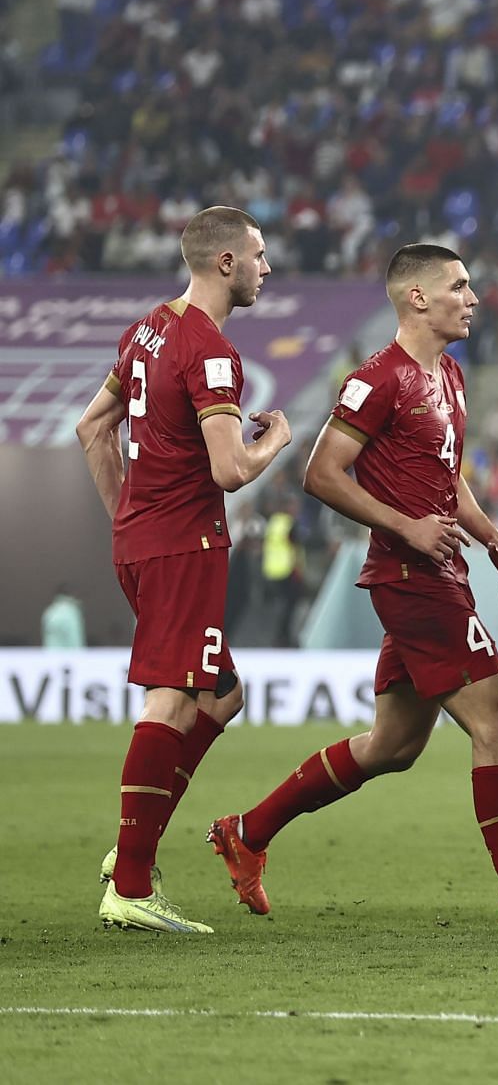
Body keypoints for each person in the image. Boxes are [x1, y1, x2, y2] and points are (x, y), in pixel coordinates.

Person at [209, 245, 498, 937]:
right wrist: (406, 525)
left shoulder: (452, 374)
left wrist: (492, 536)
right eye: (458, 286)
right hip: (411, 579)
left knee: (392, 746)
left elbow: (444, 475)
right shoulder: (377, 380)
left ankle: (247, 831)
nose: (472, 296)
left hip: (440, 571)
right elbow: (322, 473)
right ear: (417, 299)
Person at [75, 206, 293, 933]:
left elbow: (91, 427)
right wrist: (278, 442)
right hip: (184, 547)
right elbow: (230, 470)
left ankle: (133, 848)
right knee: (171, 701)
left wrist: (128, 519)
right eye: (258, 255)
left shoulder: (146, 329)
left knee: (222, 697)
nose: (267, 267)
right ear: (226, 263)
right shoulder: (209, 349)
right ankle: (131, 883)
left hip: (145, 543)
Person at [41, 586, 85, 651]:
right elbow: (74, 638)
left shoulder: (50, 611)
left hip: (52, 655)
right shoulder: (70, 610)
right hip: (69, 656)